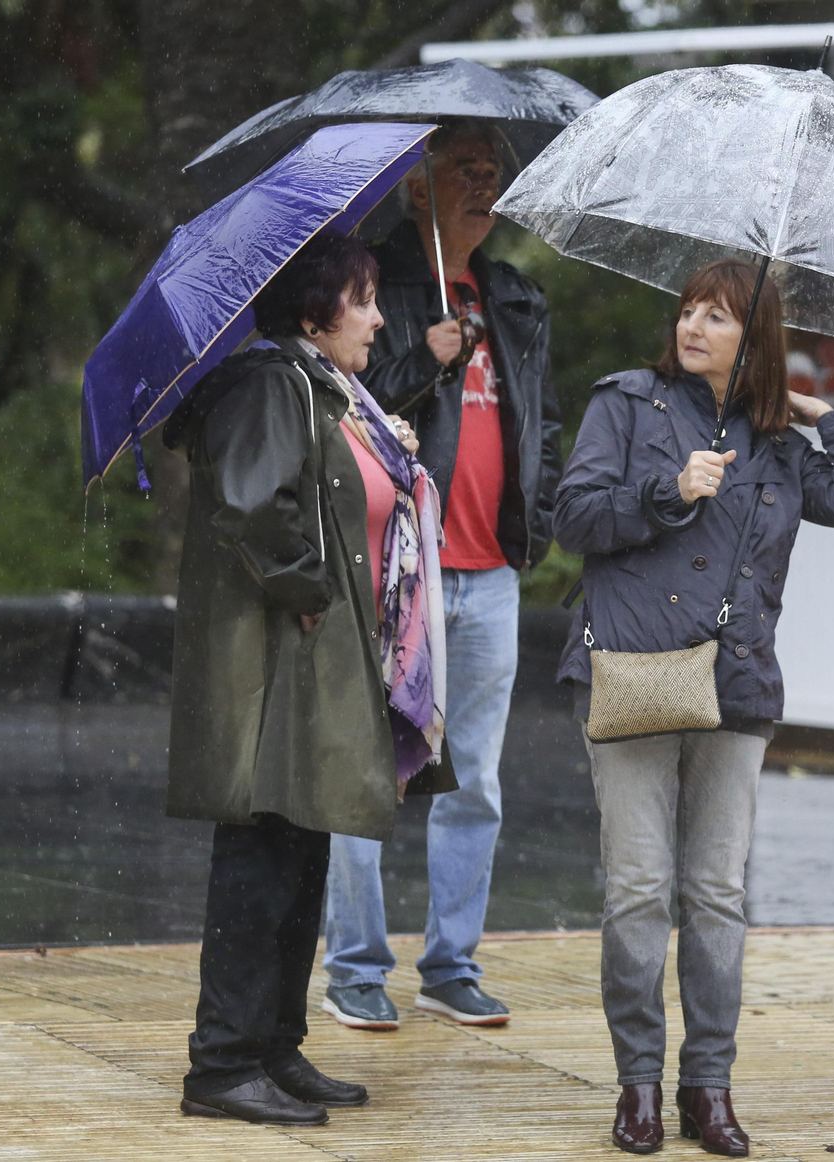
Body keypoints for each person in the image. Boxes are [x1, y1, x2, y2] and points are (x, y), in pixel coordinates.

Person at [556, 259, 834, 1155]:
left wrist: (825, 416)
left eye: (718, 316)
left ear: (756, 337)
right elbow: (573, 517)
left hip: (736, 683)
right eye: (688, 311)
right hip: (633, 670)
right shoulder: (625, 404)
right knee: (637, 890)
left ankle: (709, 1085)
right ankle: (638, 1087)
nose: (693, 326)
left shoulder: (779, 439)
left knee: (715, 894)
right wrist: (669, 493)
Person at [164, 230, 454, 1125]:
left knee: (301, 849)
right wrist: (310, 587)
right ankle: (221, 1063)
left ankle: (274, 1046)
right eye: (362, 298)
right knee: (258, 857)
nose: (378, 315)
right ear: (313, 310)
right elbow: (254, 508)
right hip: (272, 670)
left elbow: (334, 490)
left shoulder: (324, 387)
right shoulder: (267, 383)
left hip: (316, 666)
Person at [321, 120, 562, 1030]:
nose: (484, 184)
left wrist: (539, 525)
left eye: (493, 171)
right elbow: (345, 396)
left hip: (491, 573)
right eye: (464, 168)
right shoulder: (370, 282)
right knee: (369, 769)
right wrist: (424, 353)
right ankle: (355, 965)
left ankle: (452, 963)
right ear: (416, 185)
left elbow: (542, 422)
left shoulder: (515, 297)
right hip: (397, 573)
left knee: (477, 782)